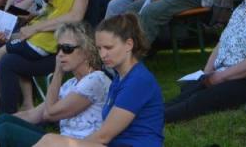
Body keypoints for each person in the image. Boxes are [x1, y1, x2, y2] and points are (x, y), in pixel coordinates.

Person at [0, 23, 110, 147]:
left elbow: (50, 113)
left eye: (67, 48)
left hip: (80, 144)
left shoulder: (96, 80)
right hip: (59, 142)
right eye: (58, 49)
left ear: (87, 51)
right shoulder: (71, 84)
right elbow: (32, 114)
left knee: (5, 132)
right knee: (4, 121)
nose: (60, 54)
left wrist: (58, 73)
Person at [35, 13, 163, 147]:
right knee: (51, 141)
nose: (103, 55)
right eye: (99, 48)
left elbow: (104, 136)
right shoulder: (120, 78)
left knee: (50, 141)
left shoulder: (138, 81)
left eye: (108, 47)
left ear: (128, 44)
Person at [0, 0, 74, 107]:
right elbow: (40, 13)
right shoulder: (55, 3)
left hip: (38, 45)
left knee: (0, 53)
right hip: (35, 42)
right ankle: (28, 103)